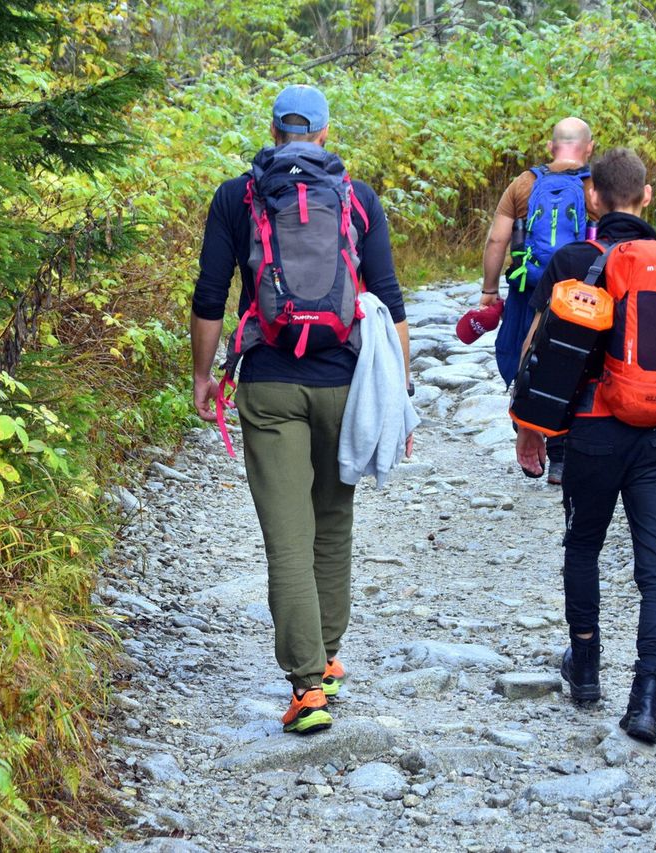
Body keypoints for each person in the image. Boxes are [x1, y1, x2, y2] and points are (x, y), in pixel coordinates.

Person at [190, 84, 412, 735]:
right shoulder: (357, 196)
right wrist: (400, 396)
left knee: (287, 536)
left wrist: (204, 374)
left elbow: (209, 295)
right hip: (345, 381)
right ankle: (330, 656)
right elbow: (390, 300)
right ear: (321, 133)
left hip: (267, 382)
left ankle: (307, 689)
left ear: (272, 129)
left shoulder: (239, 195)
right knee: (333, 519)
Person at [514, 148, 656, 744]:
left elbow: (540, 351)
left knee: (583, 548)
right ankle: (647, 699)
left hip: (594, 433)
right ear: (649, 197)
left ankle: (584, 672)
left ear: (593, 199)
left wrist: (531, 431)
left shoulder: (577, 260)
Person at [480, 117, 596, 485]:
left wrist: (488, 289)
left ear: (550, 147)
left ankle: (529, 428)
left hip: (527, 289)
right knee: (575, 365)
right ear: (589, 148)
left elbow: (497, 240)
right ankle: (561, 457)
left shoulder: (524, 184)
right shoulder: (595, 187)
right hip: (581, 295)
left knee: (520, 354)